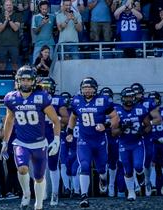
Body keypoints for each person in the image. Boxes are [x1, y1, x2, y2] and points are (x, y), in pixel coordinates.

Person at [1, 66, 61, 210]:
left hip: (40, 142)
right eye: (23, 79)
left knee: (39, 177)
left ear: (34, 81)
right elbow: (9, 121)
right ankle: (26, 193)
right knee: (22, 168)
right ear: (18, 81)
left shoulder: (41, 97)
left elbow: (55, 120)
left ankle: (38, 203)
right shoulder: (11, 98)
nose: (26, 82)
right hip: (21, 142)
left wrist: (57, 140)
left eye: (28, 79)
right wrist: (5, 141)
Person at [65, 77, 119, 208]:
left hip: (100, 141)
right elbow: (73, 117)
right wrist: (69, 132)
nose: (87, 90)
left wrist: (105, 125)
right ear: (81, 89)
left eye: (90, 88)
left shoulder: (103, 100)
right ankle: (84, 196)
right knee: (84, 165)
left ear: (95, 89)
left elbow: (115, 118)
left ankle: (103, 179)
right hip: (84, 140)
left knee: (101, 168)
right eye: (85, 88)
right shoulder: (77, 100)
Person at [112, 87, 151, 201]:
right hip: (124, 144)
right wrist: (122, 129)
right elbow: (113, 132)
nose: (128, 99)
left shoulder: (140, 109)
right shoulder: (117, 111)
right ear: (122, 98)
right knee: (128, 170)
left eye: (130, 97)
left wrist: (143, 131)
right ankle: (131, 192)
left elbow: (148, 125)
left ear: (134, 98)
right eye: (126, 97)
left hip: (137, 143)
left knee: (138, 166)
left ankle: (140, 175)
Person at [38, 77, 70, 205]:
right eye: (43, 86)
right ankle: (42, 192)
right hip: (38, 136)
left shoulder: (57, 100)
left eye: (47, 86)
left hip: (52, 135)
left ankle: (55, 193)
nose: (45, 89)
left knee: (52, 165)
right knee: (39, 165)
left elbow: (66, 119)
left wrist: (55, 118)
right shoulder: (35, 98)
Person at [130, 82, 162, 195]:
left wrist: (146, 124)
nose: (135, 95)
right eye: (133, 93)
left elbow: (158, 119)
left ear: (142, 93)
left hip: (146, 134)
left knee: (147, 161)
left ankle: (148, 181)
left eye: (137, 93)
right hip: (133, 136)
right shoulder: (128, 103)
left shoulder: (148, 103)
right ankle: (136, 185)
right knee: (134, 161)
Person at [98, 87, 121, 197]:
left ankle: (111, 185)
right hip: (100, 136)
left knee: (113, 161)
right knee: (102, 161)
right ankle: (104, 181)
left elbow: (120, 122)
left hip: (113, 137)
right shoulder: (97, 105)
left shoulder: (117, 107)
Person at [0, 0, 21, 71]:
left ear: (12, 6)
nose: (9, 6)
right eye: (7, 5)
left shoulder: (17, 15)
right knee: (1, 64)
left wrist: (9, 19)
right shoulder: (0, 16)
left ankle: (16, 80)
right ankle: (1, 80)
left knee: (15, 64)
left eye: (10, 5)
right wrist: (5, 20)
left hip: (14, 44)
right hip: (2, 44)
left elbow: (16, 28)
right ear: (4, 7)